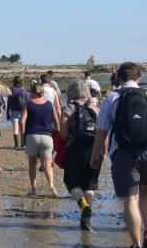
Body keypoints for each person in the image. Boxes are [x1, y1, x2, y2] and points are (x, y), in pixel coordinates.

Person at [90, 62, 147, 248]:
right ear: (139, 78)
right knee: (145, 195)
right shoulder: (145, 95)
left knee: (131, 200)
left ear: (118, 78)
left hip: (123, 154)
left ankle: (137, 244)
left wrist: (95, 154)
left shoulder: (112, 97)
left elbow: (102, 129)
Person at [60, 79, 100, 231]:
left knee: (73, 184)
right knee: (89, 187)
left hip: (75, 150)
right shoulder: (95, 108)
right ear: (86, 92)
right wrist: (102, 152)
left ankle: (84, 207)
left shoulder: (69, 108)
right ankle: (87, 216)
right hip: (94, 149)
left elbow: (63, 135)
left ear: (71, 92)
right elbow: (103, 133)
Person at [20, 82, 59, 197]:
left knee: (32, 164)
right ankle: (51, 185)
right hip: (47, 137)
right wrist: (57, 134)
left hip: (32, 136)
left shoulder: (28, 104)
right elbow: (56, 121)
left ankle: (34, 189)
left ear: (32, 92)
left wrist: (22, 137)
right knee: (47, 163)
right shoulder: (49, 104)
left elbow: (22, 122)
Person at [7, 75, 29, 149]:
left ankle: (16, 145)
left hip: (14, 111)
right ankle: (23, 143)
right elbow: (28, 102)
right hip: (24, 111)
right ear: (22, 82)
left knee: (15, 127)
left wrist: (7, 113)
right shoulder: (25, 91)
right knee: (23, 128)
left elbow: (9, 103)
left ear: (14, 82)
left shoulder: (11, 90)